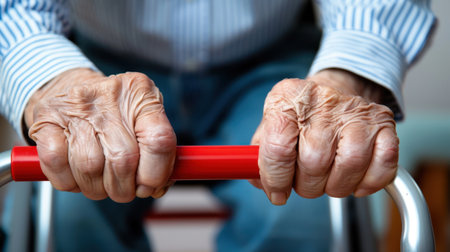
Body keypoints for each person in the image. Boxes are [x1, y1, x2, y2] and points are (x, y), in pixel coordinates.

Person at [0, 0, 435, 251]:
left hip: (270, 60)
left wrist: (347, 75)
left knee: (305, 208)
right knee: (70, 209)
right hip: (98, 60)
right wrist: (55, 81)